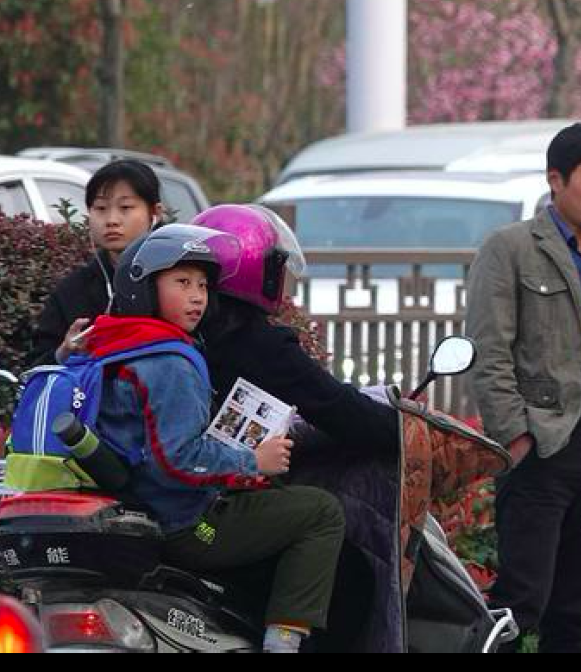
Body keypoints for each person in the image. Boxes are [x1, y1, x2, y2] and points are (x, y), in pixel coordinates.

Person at [88, 224, 345, 653]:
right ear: (145, 290)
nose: (197, 296)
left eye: (203, 285)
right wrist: (253, 460)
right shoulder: (171, 361)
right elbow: (176, 459)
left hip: (134, 509)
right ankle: (283, 642)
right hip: (186, 526)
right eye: (182, 283)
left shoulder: (114, 343)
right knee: (321, 511)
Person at [464, 122, 581, 653]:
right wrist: (516, 438)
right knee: (522, 600)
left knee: (577, 602)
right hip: (542, 445)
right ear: (556, 180)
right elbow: (489, 350)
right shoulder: (512, 248)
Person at [191, 204, 404, 652]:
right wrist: (399, 425)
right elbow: (338, 409)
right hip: (213, 510)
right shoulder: (261, 345)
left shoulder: (182, 335)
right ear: (255, 271)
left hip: (171, 502)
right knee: (350, 573)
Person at [28, 159, 165, 367]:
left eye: (125, 207)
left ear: (155, 213)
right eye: (100, 208)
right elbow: (36, 366)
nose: (111, 220)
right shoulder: (73, 291)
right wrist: (64, 353)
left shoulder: (179, 278)